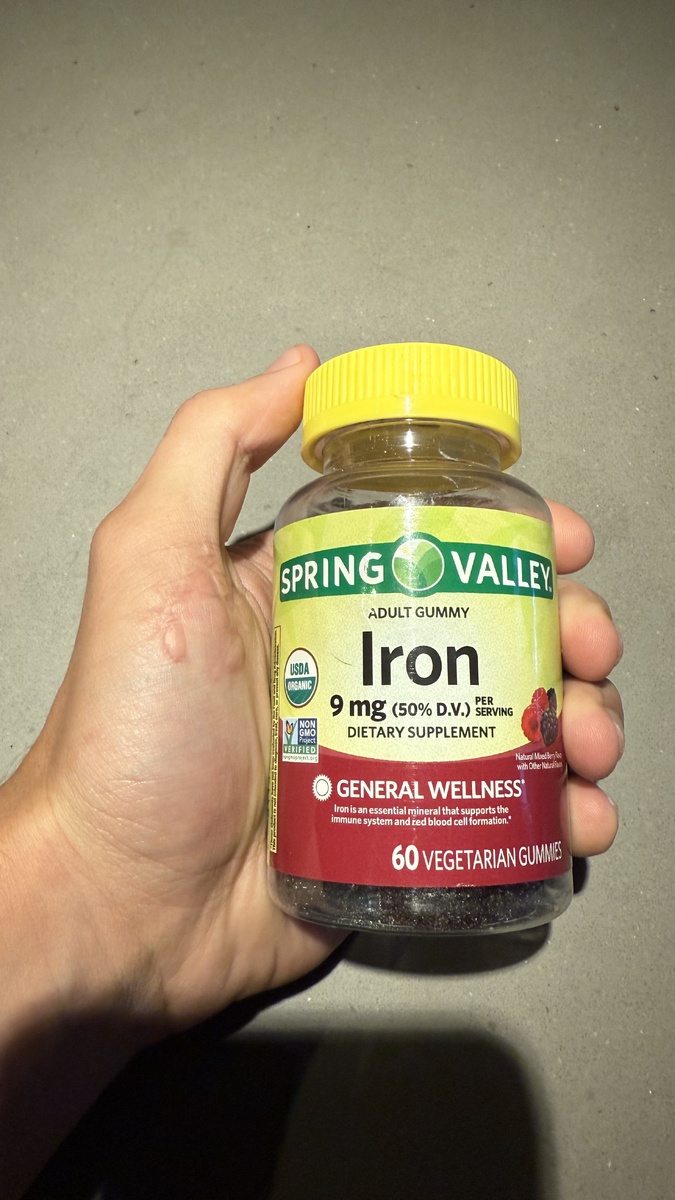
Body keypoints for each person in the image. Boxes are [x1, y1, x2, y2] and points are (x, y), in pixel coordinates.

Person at [0, 344, 623, 1196]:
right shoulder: (313, 519)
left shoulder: (511, 514)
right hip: (318, 849)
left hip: (486, 841)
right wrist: (91, 870)